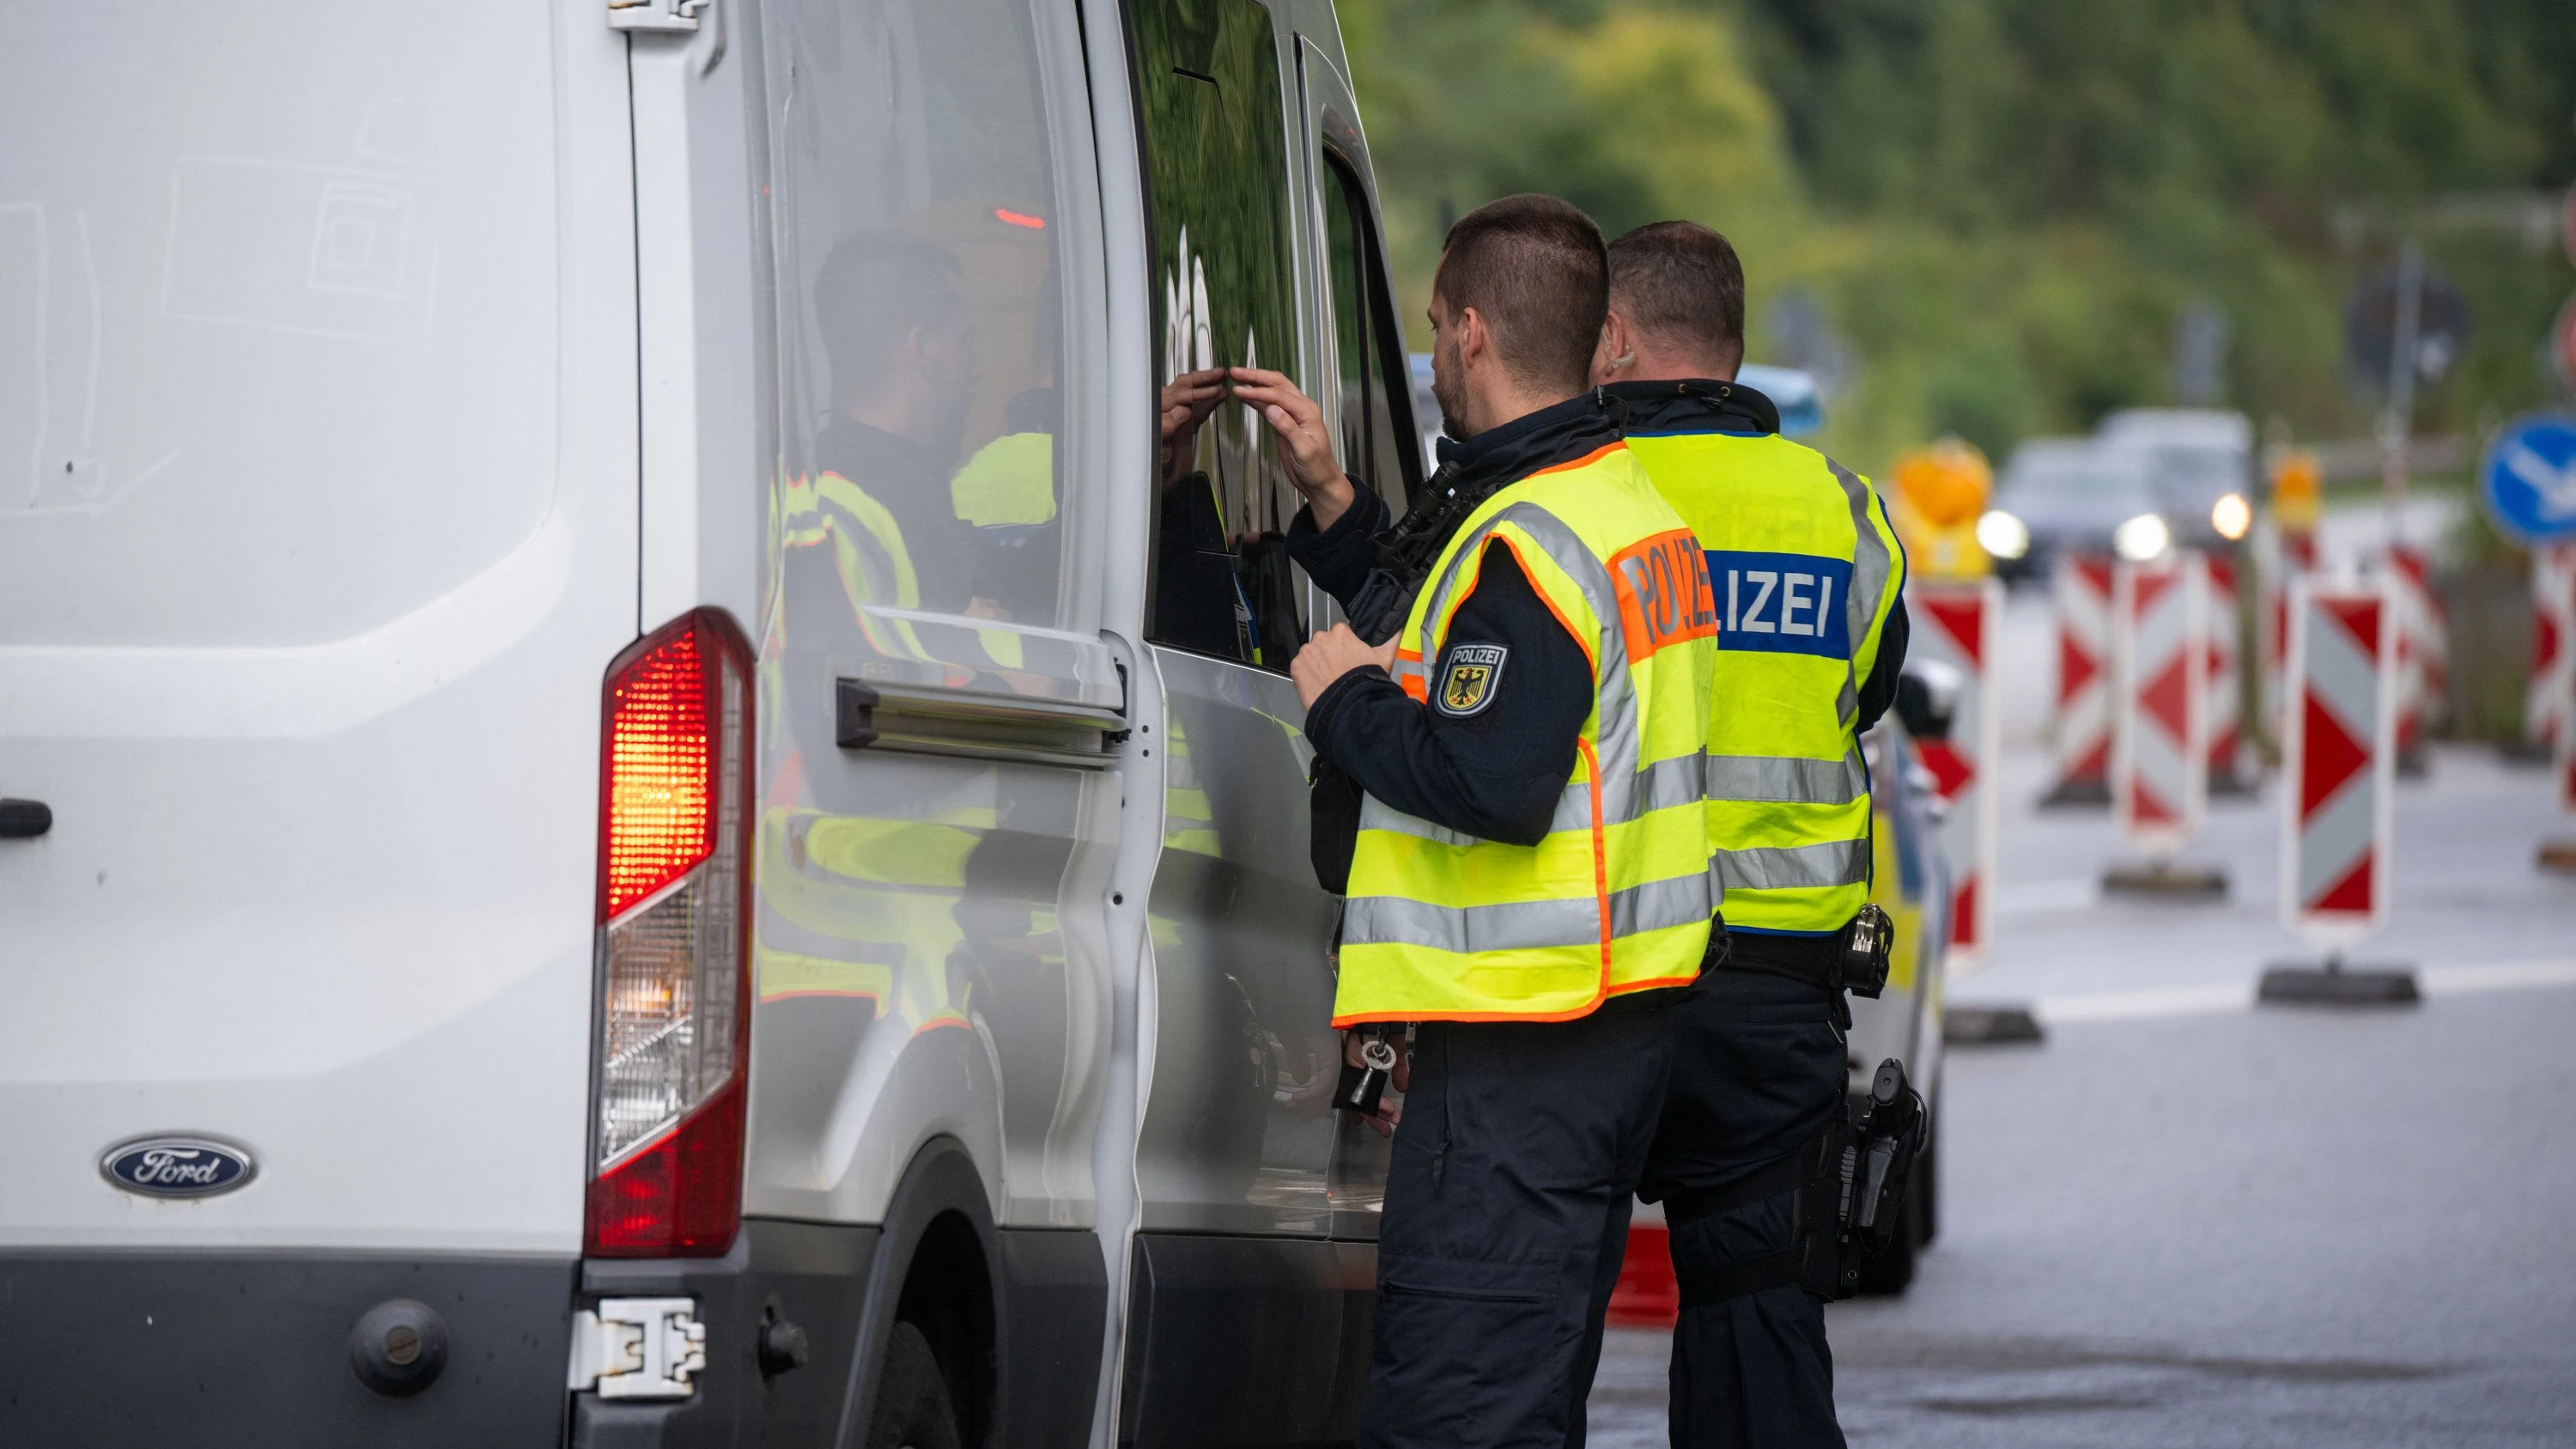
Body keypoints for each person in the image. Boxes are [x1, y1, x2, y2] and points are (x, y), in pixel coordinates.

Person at [1229, 194, 1722, 1449]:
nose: (1438, 351)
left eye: (1439, 329)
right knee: (1520, 1395)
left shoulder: (1531, 539)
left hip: (1525, 1041)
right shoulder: (1608, 503)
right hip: (1598, 1031)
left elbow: (1492, 778)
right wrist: (1335, 501)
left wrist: (1337, 701)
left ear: (1472, 335)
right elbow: (1457, 647)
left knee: (1461, 1408)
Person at [1596, 221, 1910, 1449]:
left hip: (1593, 975)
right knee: (1759, 1311)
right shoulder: (1844, 509)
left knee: (1530, 1321)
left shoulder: (1582, 498)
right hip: (1776, 996)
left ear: (1613, 338)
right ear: (1735, 350)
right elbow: (1865, 692)